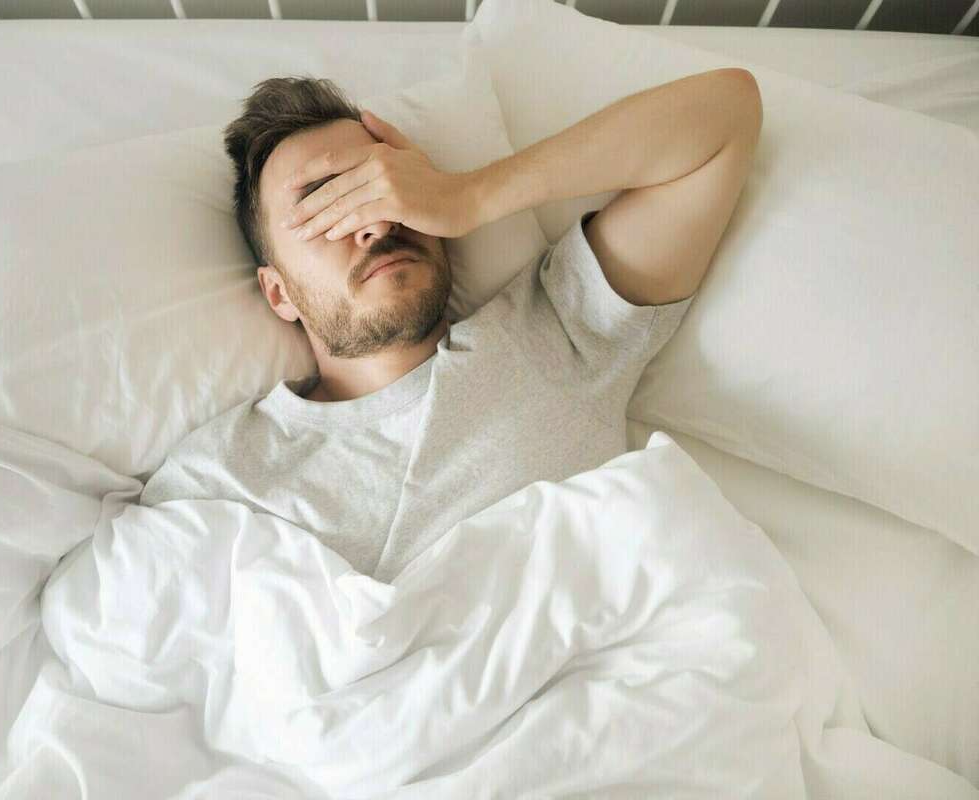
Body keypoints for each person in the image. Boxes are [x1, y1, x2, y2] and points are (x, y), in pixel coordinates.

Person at [140, 69, 763, 584]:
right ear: (279, 293)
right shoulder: (219, 476)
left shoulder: (558, 335)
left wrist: (468, 195)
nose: (373, 222)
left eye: (380, 187)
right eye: (325, 209)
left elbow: (726, 113)